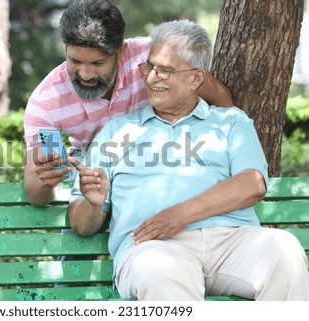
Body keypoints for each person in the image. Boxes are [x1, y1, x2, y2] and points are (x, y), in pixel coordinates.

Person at [68, 19, 309, 300]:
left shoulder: (231, 122)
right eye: (150, 66)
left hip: (230, 241)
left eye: (166, 70)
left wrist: (181, 214)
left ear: (196, 78)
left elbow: (252, 183)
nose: (152, 77)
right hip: (152, 246)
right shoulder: (117, 131)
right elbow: (81, 225)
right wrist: (93, 203)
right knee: (162, 271)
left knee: (284, 251)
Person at [23, 0, 234, 206]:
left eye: (98, 63)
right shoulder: (46, 102)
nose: (86, 74)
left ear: (121, 51)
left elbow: (217, 95)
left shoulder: (153, 58)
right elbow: (35, 191)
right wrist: (45, 181)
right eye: (75, 61)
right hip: (94, 172)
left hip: (162, 165)